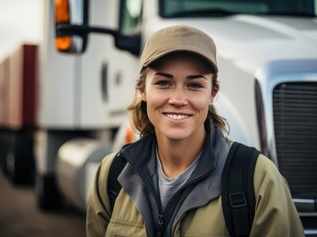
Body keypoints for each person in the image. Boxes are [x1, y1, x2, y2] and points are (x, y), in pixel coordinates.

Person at [86, 25, 305, 237]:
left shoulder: (260, 179)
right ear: (142, 89)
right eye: (163, 82)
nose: (178, 100)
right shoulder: (112, 175)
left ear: (213, 92)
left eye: (194, 85)